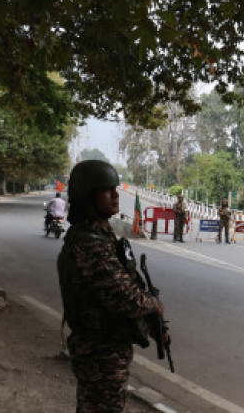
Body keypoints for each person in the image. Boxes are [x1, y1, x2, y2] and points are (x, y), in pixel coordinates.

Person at [57, 160, 164, 412]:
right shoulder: (90, 243)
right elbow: (125, 297)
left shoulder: (101, 235)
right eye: (106, 190)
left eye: (114, 189)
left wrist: (153, 324)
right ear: (88, 196)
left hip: (105, 348)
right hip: (99, 352)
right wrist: (154, 305)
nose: (115, 195)